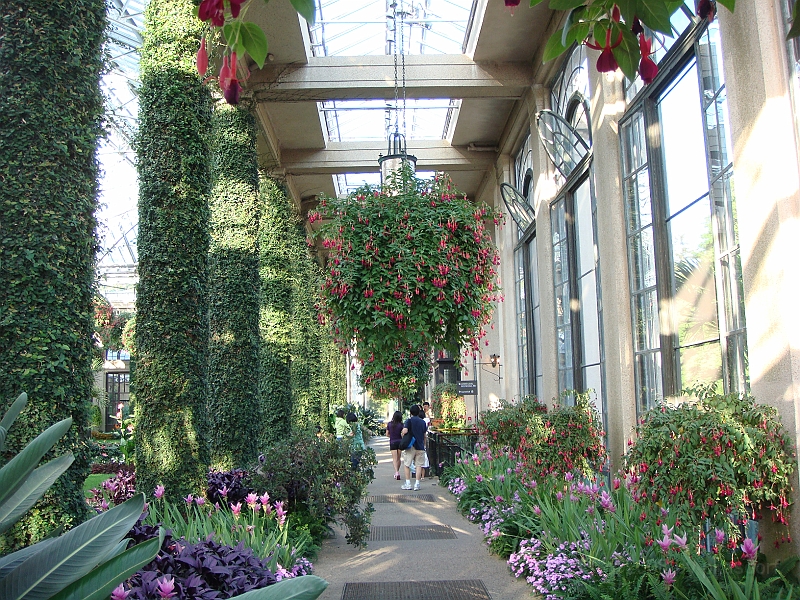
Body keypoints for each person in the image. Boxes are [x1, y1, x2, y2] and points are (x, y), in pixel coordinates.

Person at [400, 404, 427, 491]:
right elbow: (424, 435)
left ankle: (408, 484)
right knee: (418, 465)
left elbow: (405, 431)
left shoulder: (408, 421)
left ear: (410, 412)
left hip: (410, 446)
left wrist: (402, 435)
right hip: (420, 445)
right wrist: (424, 444)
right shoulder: (423, 422)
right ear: (418, 412)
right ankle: (417, 484)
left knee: (407, 464)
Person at [386, 411, 404, 480]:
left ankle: (396, 472)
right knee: (398, 458)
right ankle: (397, 471)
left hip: (392, 442)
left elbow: (387, 434)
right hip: (400, 441)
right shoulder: (401, 425)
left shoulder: (390, 424)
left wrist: (392, 436)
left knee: (394, 458)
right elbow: (403, 434)